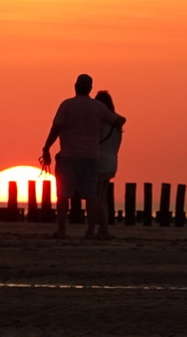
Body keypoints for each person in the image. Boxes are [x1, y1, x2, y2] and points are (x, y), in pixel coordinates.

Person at [39, 74, 125, 240]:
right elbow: (118, 121)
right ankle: (90, 232)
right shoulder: (99, 108)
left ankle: (62, 231)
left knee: (63, 195)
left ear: (75, 86)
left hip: (68, 156)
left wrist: (46, 148)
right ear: (90, 89)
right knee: (91, 195)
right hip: (91, 157)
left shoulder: (67, 105)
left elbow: (56, 128)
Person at [92, 90, 122, 239]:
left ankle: (104, 231)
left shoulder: (101, 123)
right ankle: (103, 230)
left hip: (100, 160)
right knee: (103, 197)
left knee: (98, 196)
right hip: (112, 161)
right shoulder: (117, 125)